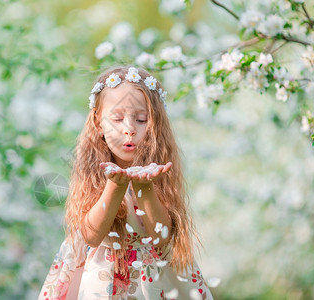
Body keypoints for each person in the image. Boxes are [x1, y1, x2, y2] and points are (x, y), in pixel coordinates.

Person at [38, 66, 213, 299]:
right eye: (117, 118)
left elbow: (160, 238)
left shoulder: (158, 171)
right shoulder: (94, 172)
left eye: (141, 120)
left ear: (155, 125)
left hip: (151, 280)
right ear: (99, 123)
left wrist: (144, 187)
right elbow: (91, 236)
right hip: (102, 281)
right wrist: (115, 185)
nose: (129, 129)